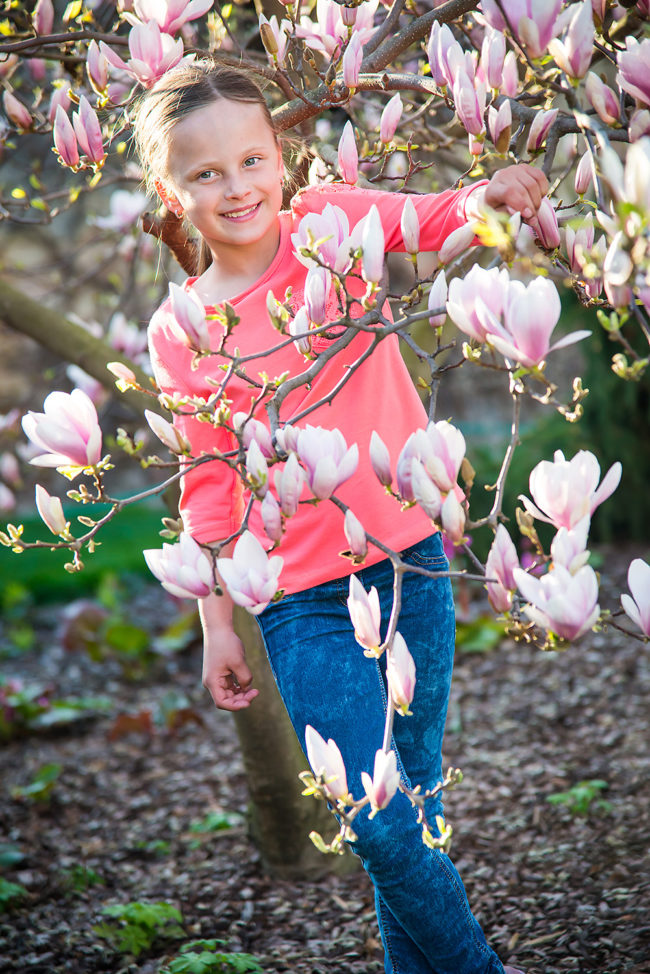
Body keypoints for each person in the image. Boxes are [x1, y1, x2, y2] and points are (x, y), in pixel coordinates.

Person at [136, 59, 547, 974]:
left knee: (416, 801)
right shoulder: (181, 331)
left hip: (409, 563)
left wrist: (498, 189)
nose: (236, 186)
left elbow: (435, 216)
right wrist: (218, 624)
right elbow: (206, 481)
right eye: (205, 173)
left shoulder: (332, 228)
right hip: (301, 601)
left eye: (250, 160)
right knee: (375, 814)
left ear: (279, 158)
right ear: (172, 189)